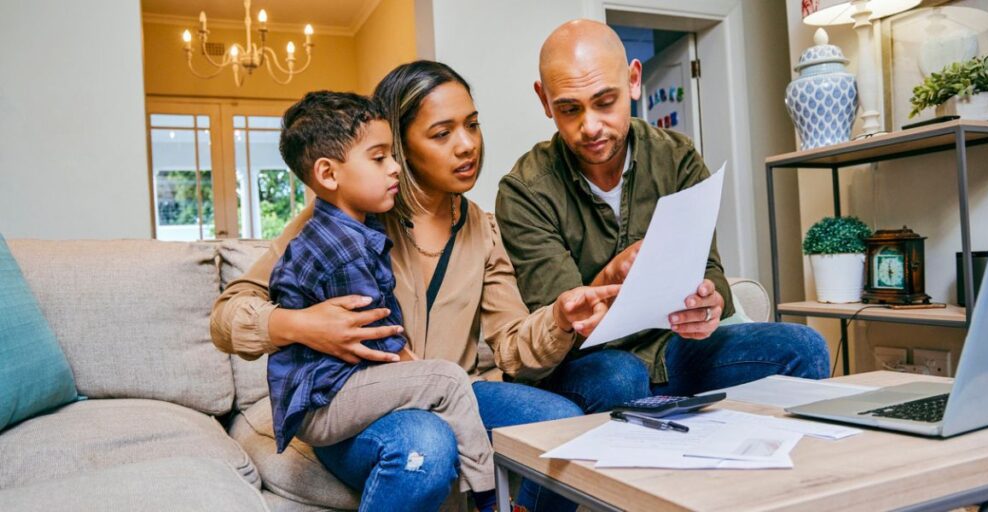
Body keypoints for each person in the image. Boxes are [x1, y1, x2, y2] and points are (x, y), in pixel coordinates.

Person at [210, 61, 618, 512]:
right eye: (442, 133)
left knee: (560, 424)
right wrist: (301, 324)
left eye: (472, 125)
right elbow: (227, 317)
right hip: (361, 406)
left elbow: (512, 348)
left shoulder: (482, 228)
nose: (467, 146)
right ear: (400, 147)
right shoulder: (345, 217)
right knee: (427, 444)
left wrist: (560, 320)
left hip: (454, 391)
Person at [494, 19, 830, 414]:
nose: (591, 127)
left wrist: (709, 302)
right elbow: (561, 324)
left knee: (804, 347)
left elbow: (710, 269)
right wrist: (611, 275)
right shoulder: (525, 190)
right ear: (544, 100)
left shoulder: (676, 157)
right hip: (591, 363)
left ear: (634, 81)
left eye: (605, 102)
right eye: (570, 109)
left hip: (673, 348)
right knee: (619, 376)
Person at [265, 91, 496, 509]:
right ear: (328, 174)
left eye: (393, 154)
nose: (394, 167)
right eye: (379, 158)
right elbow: (378, 337)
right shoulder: (340, 248)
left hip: (333, 390)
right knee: (445, 381)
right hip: (328, 401)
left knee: (439, 384)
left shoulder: (345, 229)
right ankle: (485, 494)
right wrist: (417, 368)